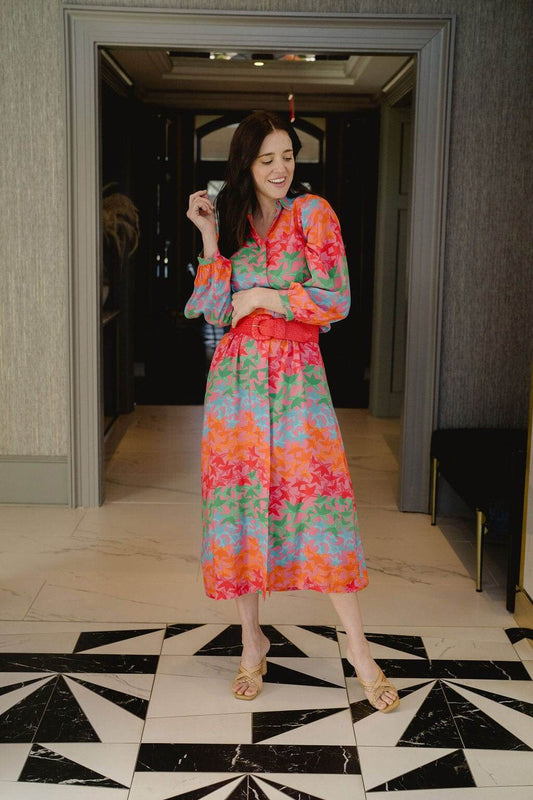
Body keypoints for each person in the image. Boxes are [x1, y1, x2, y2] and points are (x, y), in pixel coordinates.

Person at [184, 111, 399, 712]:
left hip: (299, 378)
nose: (280, 168)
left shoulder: (313, 214)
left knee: (320, 505)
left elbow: (337, 298)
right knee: (240, 505)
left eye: (287, 155)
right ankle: (251, 642)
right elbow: (212, 309)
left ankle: (359, 649)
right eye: (266, 159)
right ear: (245, 165)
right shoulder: (232, 223)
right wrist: (208, 238)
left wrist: (264, 295)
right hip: (236, 385)